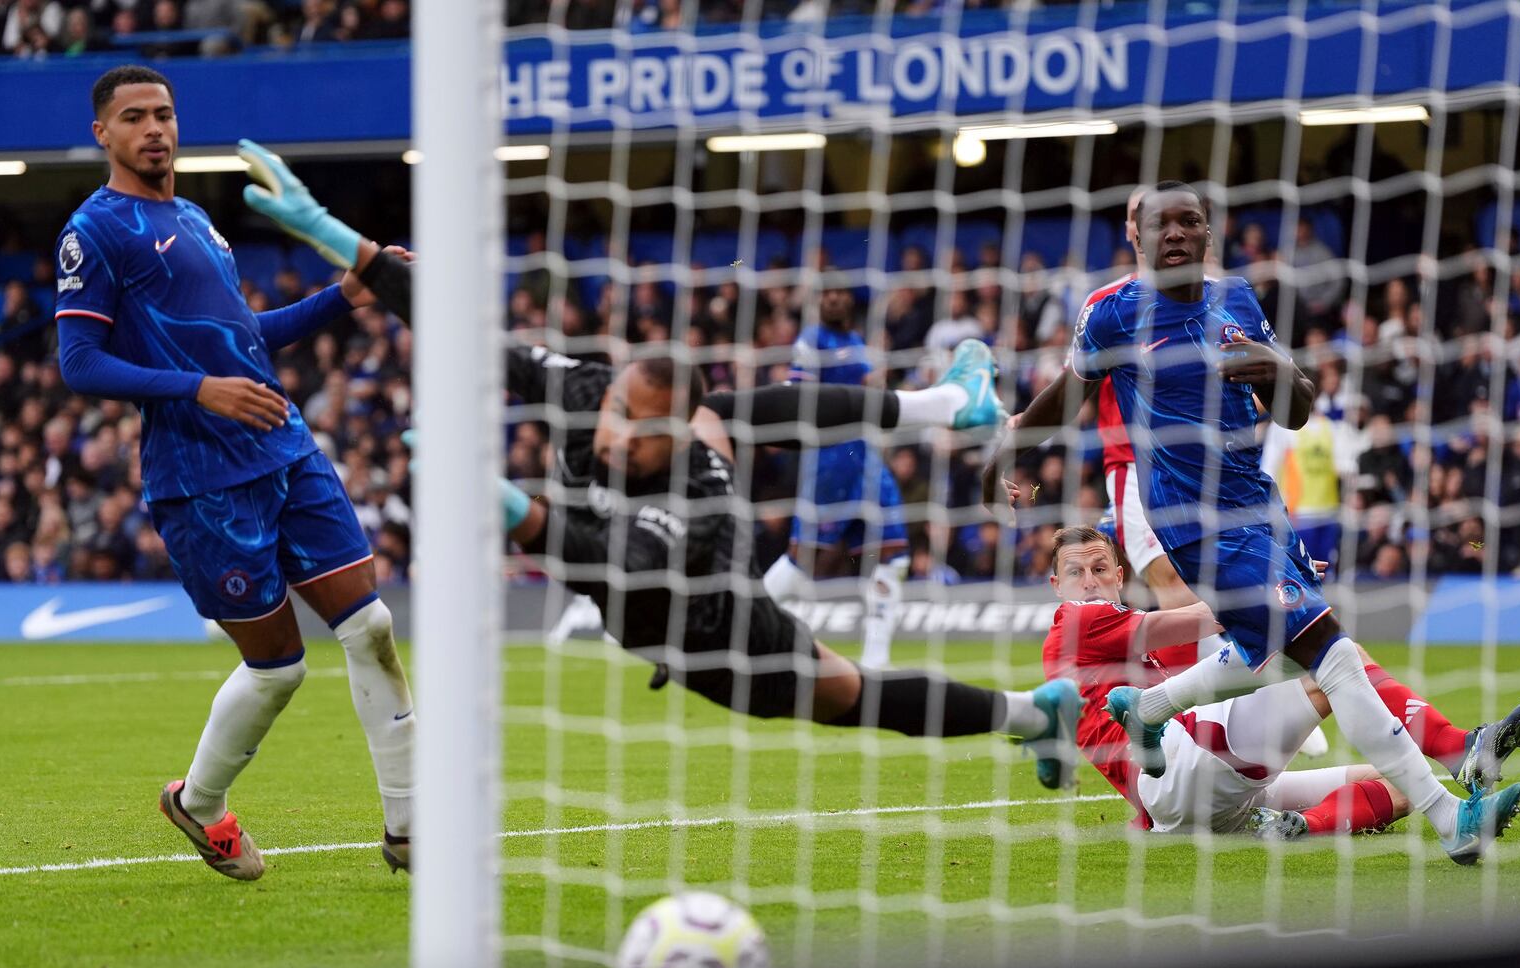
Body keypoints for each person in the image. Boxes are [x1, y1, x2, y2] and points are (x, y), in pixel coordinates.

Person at [238, 141, 1084, 759]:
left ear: (675, 441)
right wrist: (333, 235)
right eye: (616, 413)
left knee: (850, 696)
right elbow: (466, 333)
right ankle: (949, 403)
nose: (617, 434)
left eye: (645, 431)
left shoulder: (704, 489)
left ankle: (1030, 715)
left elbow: (621, 556)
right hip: (640, 594)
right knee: (729, 406)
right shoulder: (588, 392)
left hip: (714, 632)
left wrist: (509, 508)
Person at [994, 180, 1520, 865]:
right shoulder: (1111, 315)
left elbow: (1299, 406)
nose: (1177, 234)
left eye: (1190, 221)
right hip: (1195, 526)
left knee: (1276, 655)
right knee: (1333, 659)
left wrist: (1279, 370)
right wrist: (1004, 455)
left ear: (1208, 232)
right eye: (1163, 224)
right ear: (1141, 237)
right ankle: (1451, 814)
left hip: (1258, 506)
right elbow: (1060, 399)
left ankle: (1149, 707)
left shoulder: (1238, 299)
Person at [53, 67, 416, 881]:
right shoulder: (94, 230)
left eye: (166, 114)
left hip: (284, 448)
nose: (156, 129)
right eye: (135, 118)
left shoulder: (193, 218)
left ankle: (410, 828)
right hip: (203, 477)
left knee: (372, 627)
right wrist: (199, 389)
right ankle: (200, 802)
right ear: (102, 135)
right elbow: (79, 362)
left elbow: (242, 334)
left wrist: (344, 295)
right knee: (280, 667)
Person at [1037, 526, 1520, 839]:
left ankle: (1296, 828)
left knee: (1400, 780)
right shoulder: (1075, 621)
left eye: (1099, 568)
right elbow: (1194, 623)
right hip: (1183, 768)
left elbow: (1205, 632)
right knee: (1331, 660)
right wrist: (1280, 591)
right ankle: (1461, 748)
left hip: (1184, 810)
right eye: (1075, 572)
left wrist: (1284, 589)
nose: (1089, 580)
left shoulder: (1117, 634)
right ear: (1056, 586)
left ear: (1119, 574)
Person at [761, 276, 910, 670]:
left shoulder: (857, 343)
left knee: (892, 554)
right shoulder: (812, 340)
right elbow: (798, 396)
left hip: (866, 459)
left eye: (840, 293)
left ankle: (876, 660)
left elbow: (872, 392)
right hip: (829, 460)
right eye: (827, 294)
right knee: (802, 558)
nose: (834, 300)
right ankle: (742, 624)